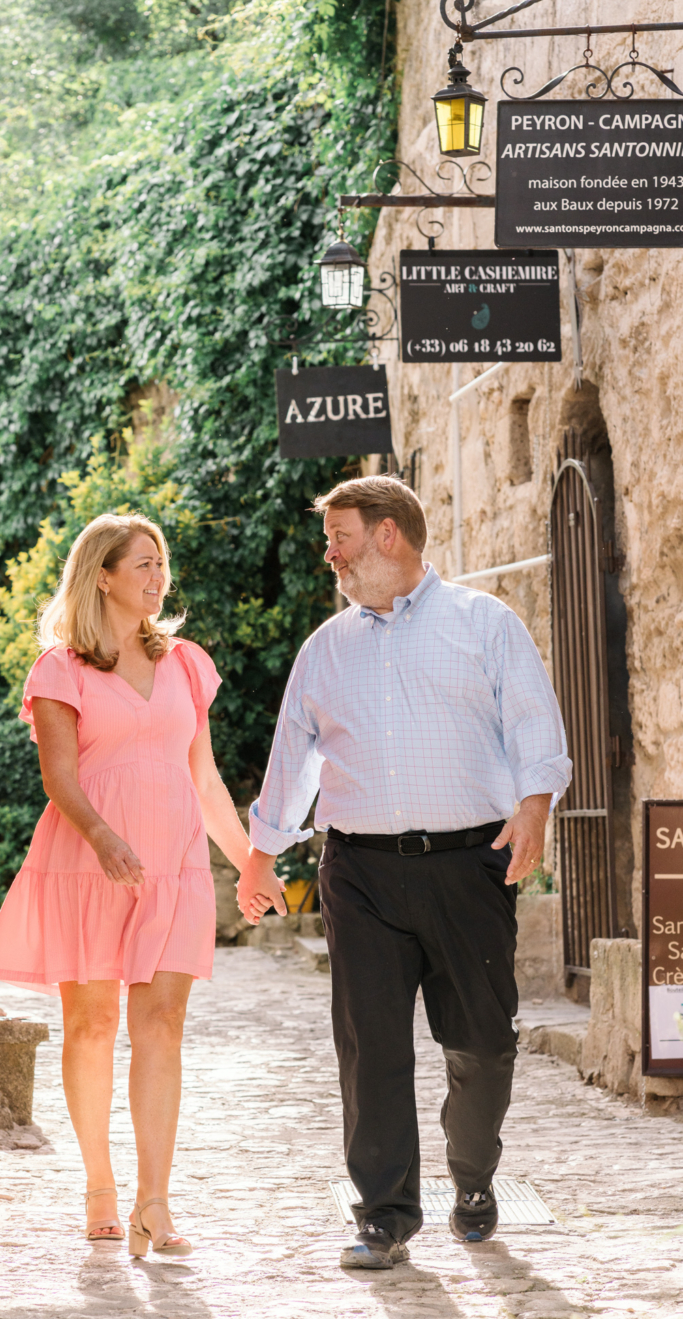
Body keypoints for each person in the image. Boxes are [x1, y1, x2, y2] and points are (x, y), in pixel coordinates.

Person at [237, 476, 571, 1270]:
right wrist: (262, 850)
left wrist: (534, 806)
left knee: (482, 1045)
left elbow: (532, 719)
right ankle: (385, 1214)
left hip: (468, 866)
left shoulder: (483, 624)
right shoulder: (325, 648)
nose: (331, 556)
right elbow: (293, 758)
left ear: (388, 534)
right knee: (369, 1048)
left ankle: (473, 1177)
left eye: (340, 537)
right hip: (358, 872)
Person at [0, 513, 282, 1255]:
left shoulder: (184, 664)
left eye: (160, 564)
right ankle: (98, 1183)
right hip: (89, 862)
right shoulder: (60, 669)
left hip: (173, 865)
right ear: (102, 575)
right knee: (90, 1025)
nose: (156, 577)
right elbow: (60, 777)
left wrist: (248, 858)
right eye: (141, 564)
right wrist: (105, 838)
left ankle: (155, 1199)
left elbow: (203, 778)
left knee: (163, 1026)